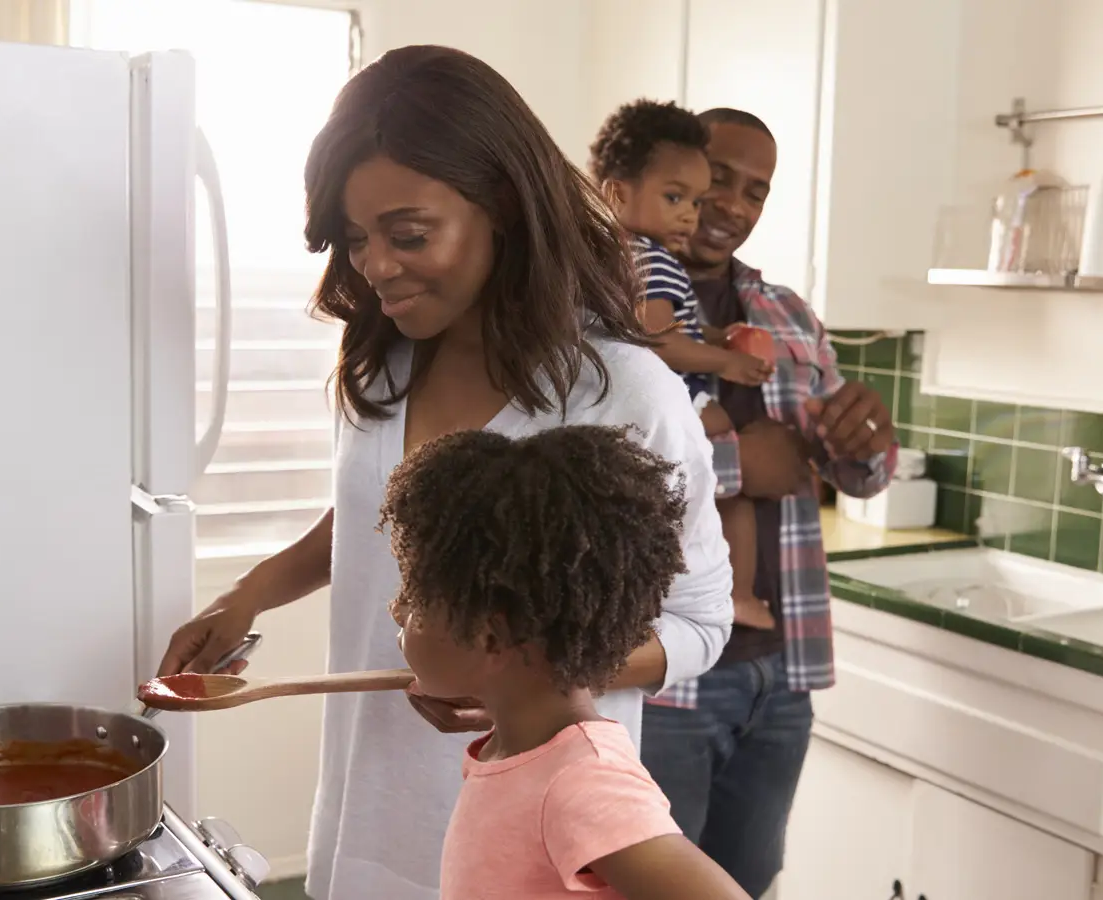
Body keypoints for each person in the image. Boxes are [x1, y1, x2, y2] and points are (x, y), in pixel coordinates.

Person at [156, 46, 733, 900]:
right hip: (364, 815)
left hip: (530, 847)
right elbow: (371, 520)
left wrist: (521, 673)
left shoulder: (622, 395)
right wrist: (247, 596)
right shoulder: (385, 364)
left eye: (408, 234)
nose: (374, 266)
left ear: (501, 204)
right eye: (355, 239)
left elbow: (700, 625)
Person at [639, 107, 900, 897]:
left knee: (750, 883)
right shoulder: (619, 301)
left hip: (781, 675)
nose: (733, 206)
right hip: (664, 672)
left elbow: (856, 472)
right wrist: (734, 462)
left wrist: (868, 447)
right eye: (719, 179)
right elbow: (587, 466)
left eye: (758, 192)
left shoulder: (788, 312)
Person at [381, 425, 752, 900]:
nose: (399, 609)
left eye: (418, 600)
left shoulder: (583, 782)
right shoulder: (514, 752)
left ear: (492, 636)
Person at [587, 99, 776, 632]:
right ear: (619, 194)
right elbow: (656, 338)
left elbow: (671, 325)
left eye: (692, 199)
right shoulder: (652, 259)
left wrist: (716, 336)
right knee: (724, 459)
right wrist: (726, 361)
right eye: (678, 197)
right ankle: (734, 593)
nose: (692, 214)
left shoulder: (612, 255)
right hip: (674, 389)